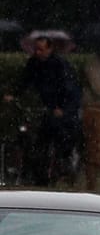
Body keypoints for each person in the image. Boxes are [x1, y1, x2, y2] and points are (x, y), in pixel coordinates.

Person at [3, 35, 82, 185]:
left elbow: (69, 89)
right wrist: (13, 94)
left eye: (41, 49)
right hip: (46, 106)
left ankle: (62, 163)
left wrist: (63, 108)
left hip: (60, 106)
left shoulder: (59, 65)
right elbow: (24, 80)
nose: (38, 53)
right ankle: (37, 170)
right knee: (36, 137)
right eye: (36, 49)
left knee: (59, 133)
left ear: (49, 49)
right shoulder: (34, 63)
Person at [81, 42, 100, 193]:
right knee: (96, 155)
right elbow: (99, 89)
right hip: (97, 112)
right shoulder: (94, 65)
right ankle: (93, 189)